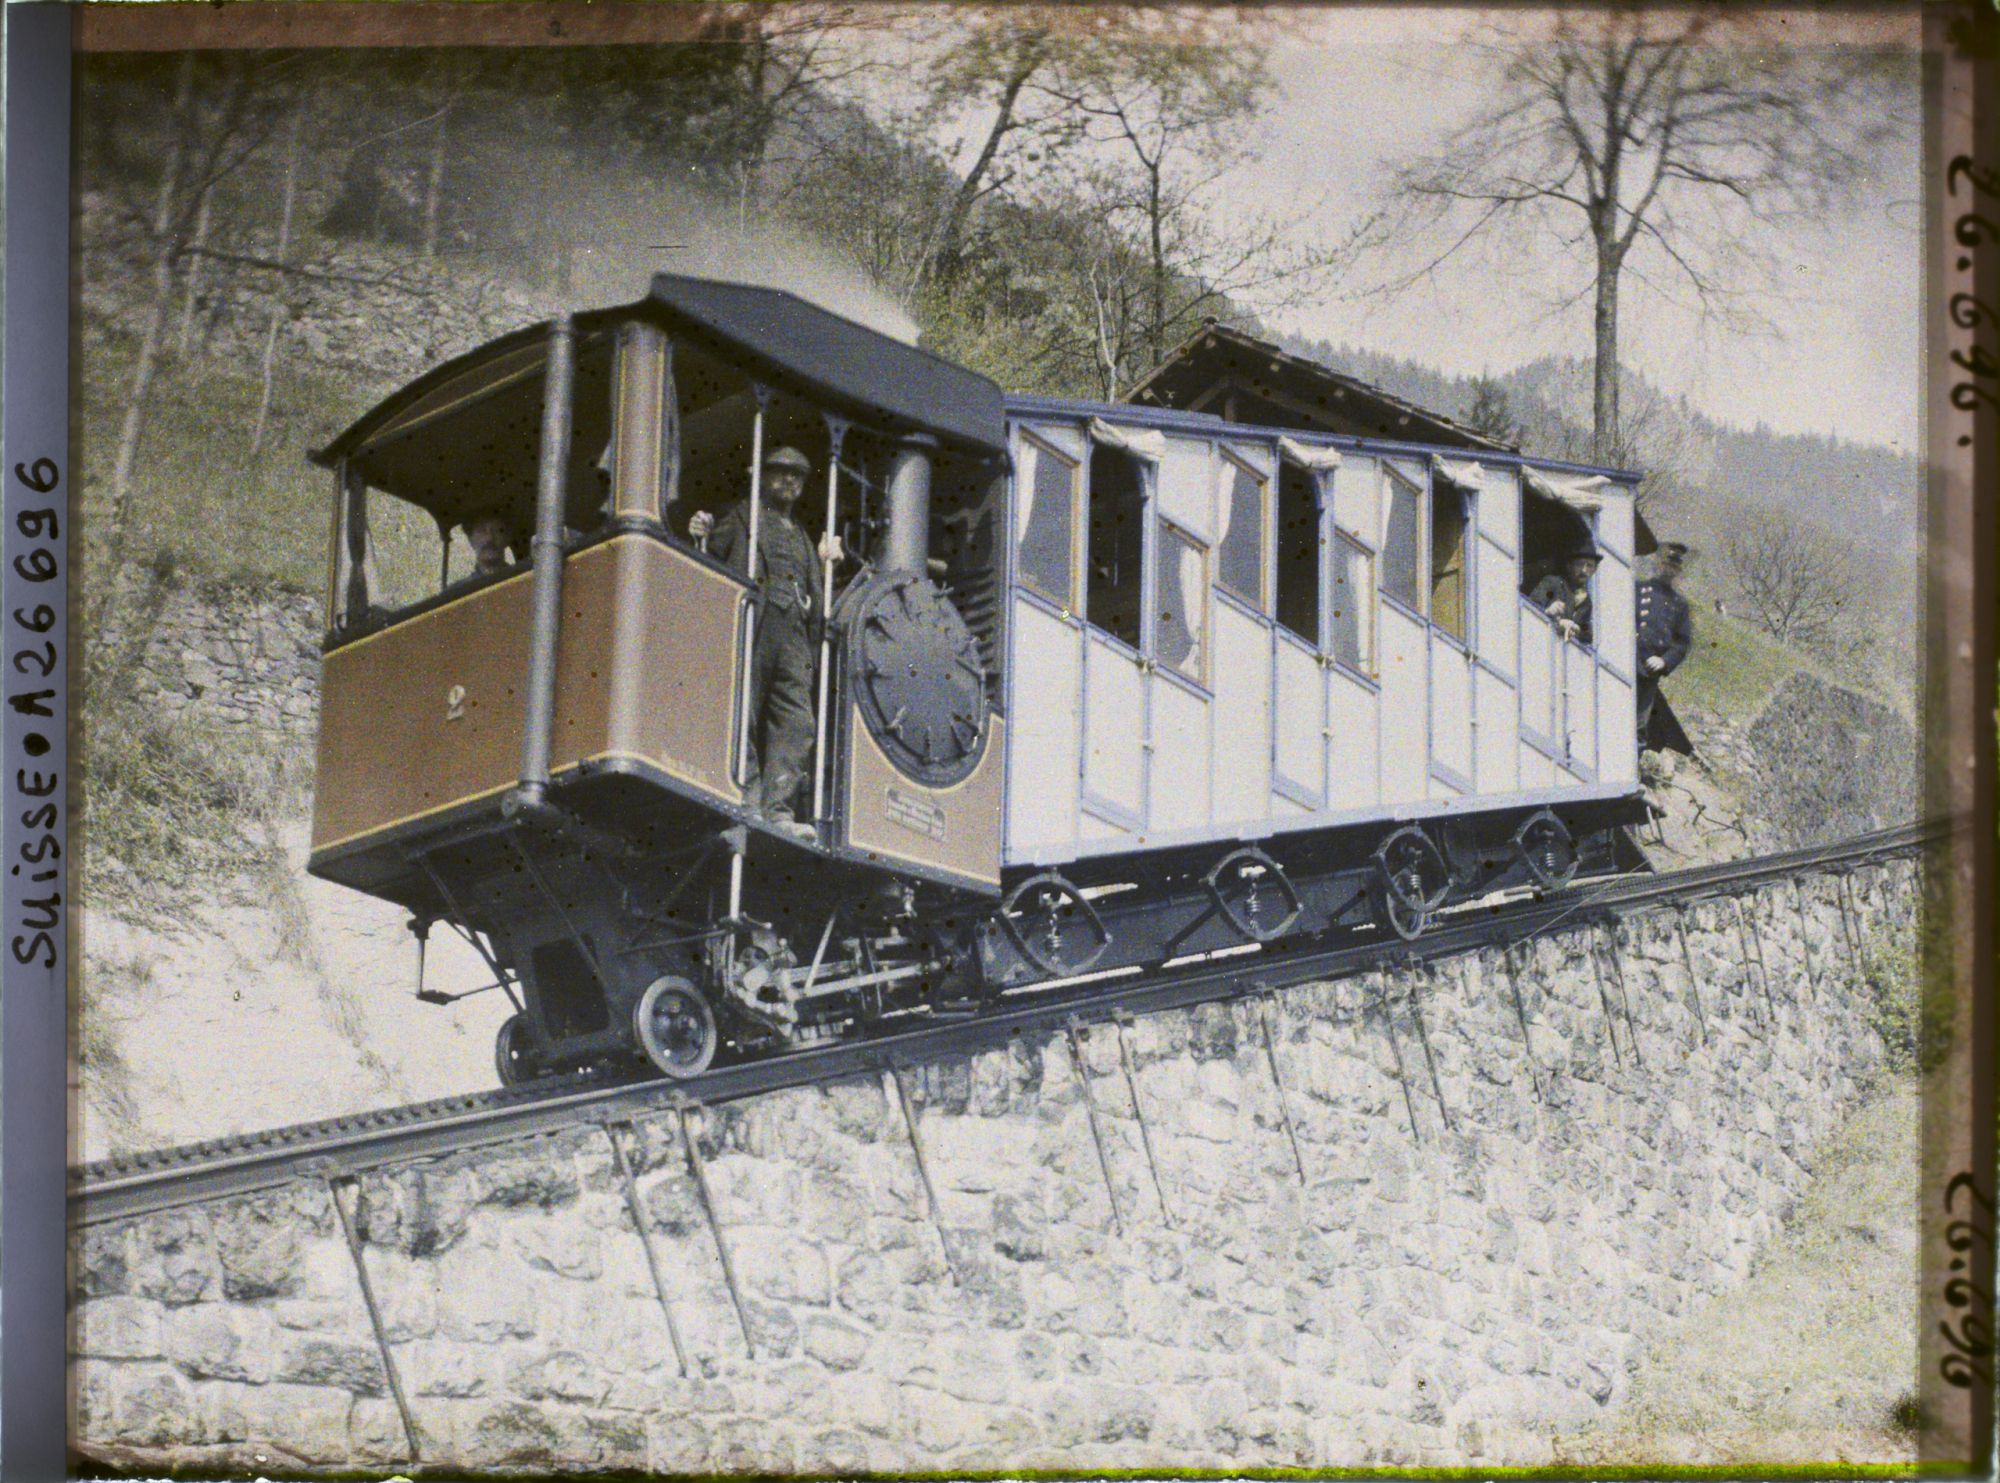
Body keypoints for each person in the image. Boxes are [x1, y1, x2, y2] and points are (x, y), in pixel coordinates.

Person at [688, 446, 841, 840]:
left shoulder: (805, 538)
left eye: (798, 476)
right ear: (763, 477)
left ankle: (778, 809)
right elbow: (704, 565)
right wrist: (697, 535)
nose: (789, 481)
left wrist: (828, 569)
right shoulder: (740, 518)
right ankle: (748, 799)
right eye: (781, 473)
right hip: (753, 624)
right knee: (744, 711)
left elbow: (817, 601)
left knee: (797, 721)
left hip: (793, 637)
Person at [1636, 540, 1695, 750]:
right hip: (1626, 659)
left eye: (1674, 567)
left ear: (1678, 571)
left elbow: (1682, 642)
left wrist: (1663, 660)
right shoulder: (1637, 589)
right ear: (1658, 563)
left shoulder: (1679, 604)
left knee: (1639, 725)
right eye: (1666, 564)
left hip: (1649, 670)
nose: (1669, 570)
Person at [1529, 545, 1601, 644]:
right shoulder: (1553, 583)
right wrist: (1548, 612)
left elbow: (1587, 636)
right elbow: (1531, 607)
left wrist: (1577, 630)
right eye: (1579, 564)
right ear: (1569, 565)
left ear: (1594, 570)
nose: (1584, 570)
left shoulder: (1585, 602)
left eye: (1589, 565)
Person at [463, 509, 516, 577]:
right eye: (481, 530)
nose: (489, 538)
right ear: (470, 539)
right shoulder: (464, 587)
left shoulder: (522, 580)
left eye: (497, 530)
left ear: (507, 537)